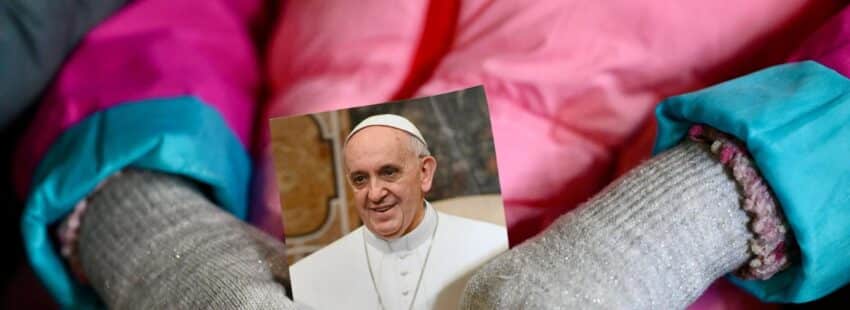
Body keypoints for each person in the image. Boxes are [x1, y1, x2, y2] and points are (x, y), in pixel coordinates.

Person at [289, 114, 509, 310]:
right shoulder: (308, 277)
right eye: (360, 179)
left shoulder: (495, 248)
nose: (374, 194)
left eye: (389, 172)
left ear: (424, 173)